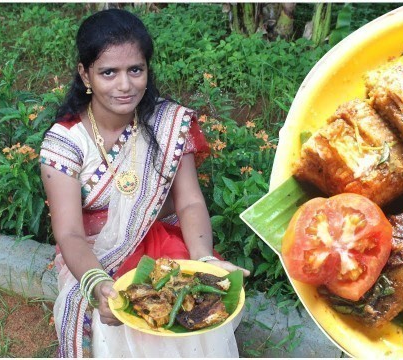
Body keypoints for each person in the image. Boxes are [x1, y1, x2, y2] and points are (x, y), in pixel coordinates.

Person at [40, 8, 249, 358]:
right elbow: (70, 235)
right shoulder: (65, 143)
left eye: (135, 70)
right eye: (109, 72)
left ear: (147, 71)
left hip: (163, 241)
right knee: (122, 309)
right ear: (85, 74)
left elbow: (189, 203)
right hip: (94, 254)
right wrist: (97, 285)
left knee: (193, 299)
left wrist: (204, 262)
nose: (125, 85)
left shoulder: (168, 123)